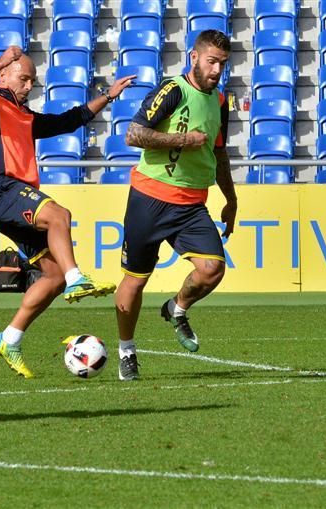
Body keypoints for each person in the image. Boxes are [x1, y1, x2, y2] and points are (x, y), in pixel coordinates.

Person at [0, 46, 136, 378]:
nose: (28, 87)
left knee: (50, 276)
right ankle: (76, 279)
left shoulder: (24, 115)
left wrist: (107, 97)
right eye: (23, 79)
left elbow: (69, 121)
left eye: (32, 82)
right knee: (59, 215)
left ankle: (9, 338)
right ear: (4, 74)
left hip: (13, 195)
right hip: (1, 188)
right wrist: (0, 60)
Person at [114, 30, 237, 381]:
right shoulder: (173, 90)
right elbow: (134, 134)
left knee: (212, 269)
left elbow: (219, 152)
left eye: (222, 64)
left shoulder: (221, 101)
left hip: (192, 204)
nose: (216, 70)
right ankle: (127, 351)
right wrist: (183, 139)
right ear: (194, 57)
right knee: (135, 282)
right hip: (149, 200)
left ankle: (176, 308)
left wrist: (231, 200)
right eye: (212, 61)